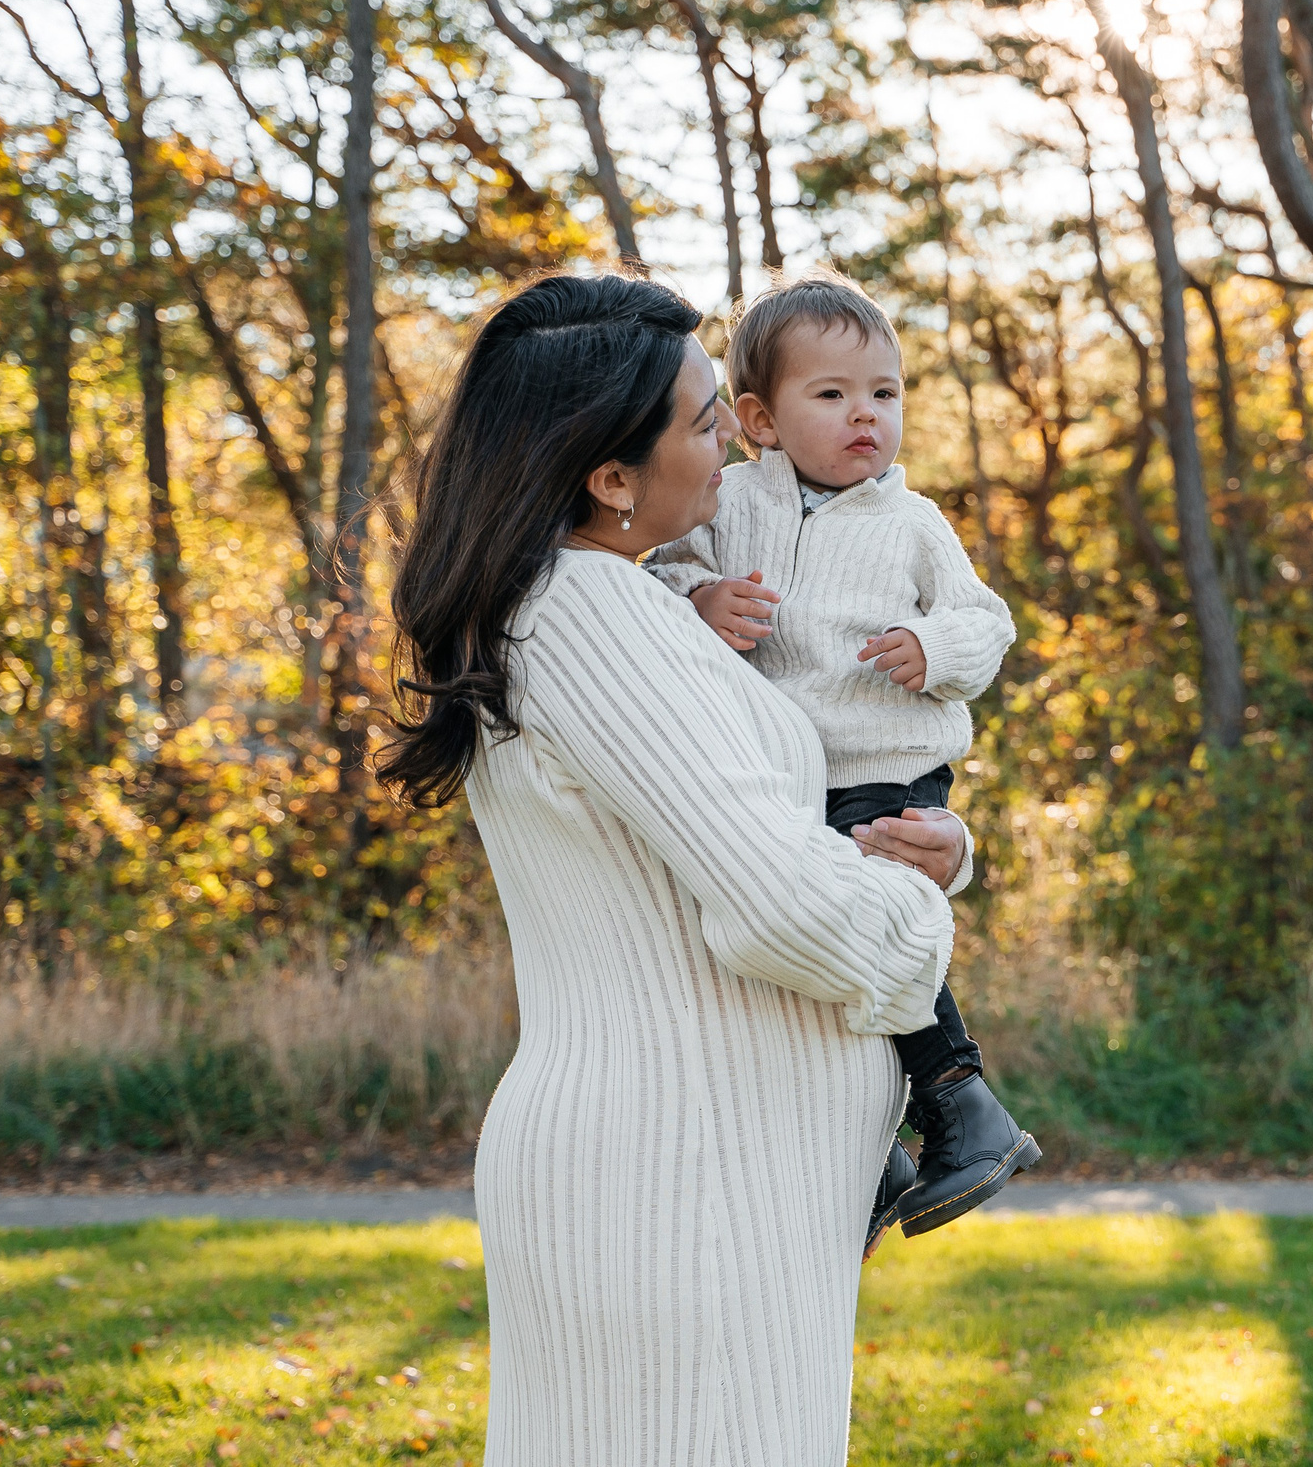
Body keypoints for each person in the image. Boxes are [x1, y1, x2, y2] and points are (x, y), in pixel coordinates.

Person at [380, 273, 968, 1467]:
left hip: (709, 1173)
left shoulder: (605, 607)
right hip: (687, 1178)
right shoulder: (593, 617)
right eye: (706, 424)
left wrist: (933, 850)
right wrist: (920, 915)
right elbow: (784, 907)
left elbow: (743, 845)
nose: (729, 454)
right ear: (609, 475)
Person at [647, 270, 1038, 1239]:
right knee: (780, 954)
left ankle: (959, 1103)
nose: (865, 415)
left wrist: (932, 650)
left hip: (887, 765)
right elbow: (661, 572)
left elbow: (985, 624)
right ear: (758, 419)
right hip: (778, 775)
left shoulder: (911, 522)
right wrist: (700, 600)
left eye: (885, 393)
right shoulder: (728, 502)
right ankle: (869, 1155)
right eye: (831, 395)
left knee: (863, 930)